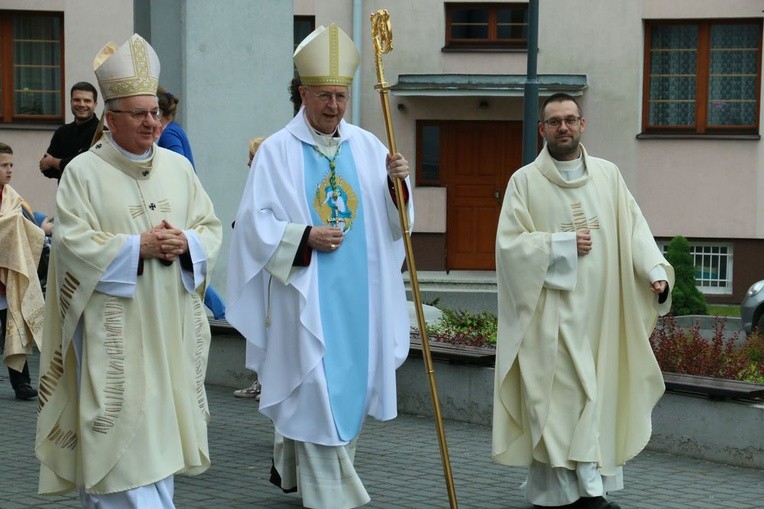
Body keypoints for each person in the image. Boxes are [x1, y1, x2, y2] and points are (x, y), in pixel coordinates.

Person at [226, 24, 412, 509]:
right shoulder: (277, 152)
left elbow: (395, 228)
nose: (334, 105)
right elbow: (251, 225)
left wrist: (397, 188)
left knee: (345, 396)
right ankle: (333, 498)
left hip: (358, 303)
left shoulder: (370, 148)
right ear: (303, 94)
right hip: (303, 300)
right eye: (325, 95)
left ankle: (303, 474)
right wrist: (304, 236)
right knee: (311, 390)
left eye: (341, 95)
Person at [35, 34, 222, 507]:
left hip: (170, 337)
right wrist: (137, 246)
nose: (151, 122)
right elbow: (72, 245)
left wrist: (188, 244)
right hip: (115, 336)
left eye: (155, 112)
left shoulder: (179, 169)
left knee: (160, 457)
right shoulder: (83, 172)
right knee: (120, 462)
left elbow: (210, 226)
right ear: (110, 118)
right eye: (138, 113)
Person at [492, 93, 675, 509]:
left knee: (594, 397)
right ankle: (587, 493)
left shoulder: (609, 177)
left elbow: (634, 230)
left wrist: (656, 271)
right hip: (550, 320)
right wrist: (560, 245)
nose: (563, 128)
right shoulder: (524, 182)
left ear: (582, 125)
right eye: (554, 121)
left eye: (570, 120)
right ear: (542, 130)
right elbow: (509, 248)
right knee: (562, 402)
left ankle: (565, 493)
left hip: (603, 315)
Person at [156, 86, 226, 320]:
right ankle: (220, 310)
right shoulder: (175, 130)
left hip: (172, 206)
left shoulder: (168, 135)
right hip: (176, 202)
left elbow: (177, 166)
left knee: (186, 265)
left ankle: (221, 311)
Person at [0, 142, 45, 401]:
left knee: (14, 326)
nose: (9, 171)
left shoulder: (11, 197)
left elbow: (25, 225)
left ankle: (22, 383)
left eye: (11, 165)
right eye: (4, 165)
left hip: (9, 277)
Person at [39, 82, 100, 181]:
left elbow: (85, 166)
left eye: (87, 101)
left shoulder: (101, 133)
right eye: (77, 100)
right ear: (71, 102)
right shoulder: (62, 131)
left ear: (95, 104)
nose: (81, 104)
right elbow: (47, 170)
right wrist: (64, 164)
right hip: (64, 194)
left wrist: (53, 162)